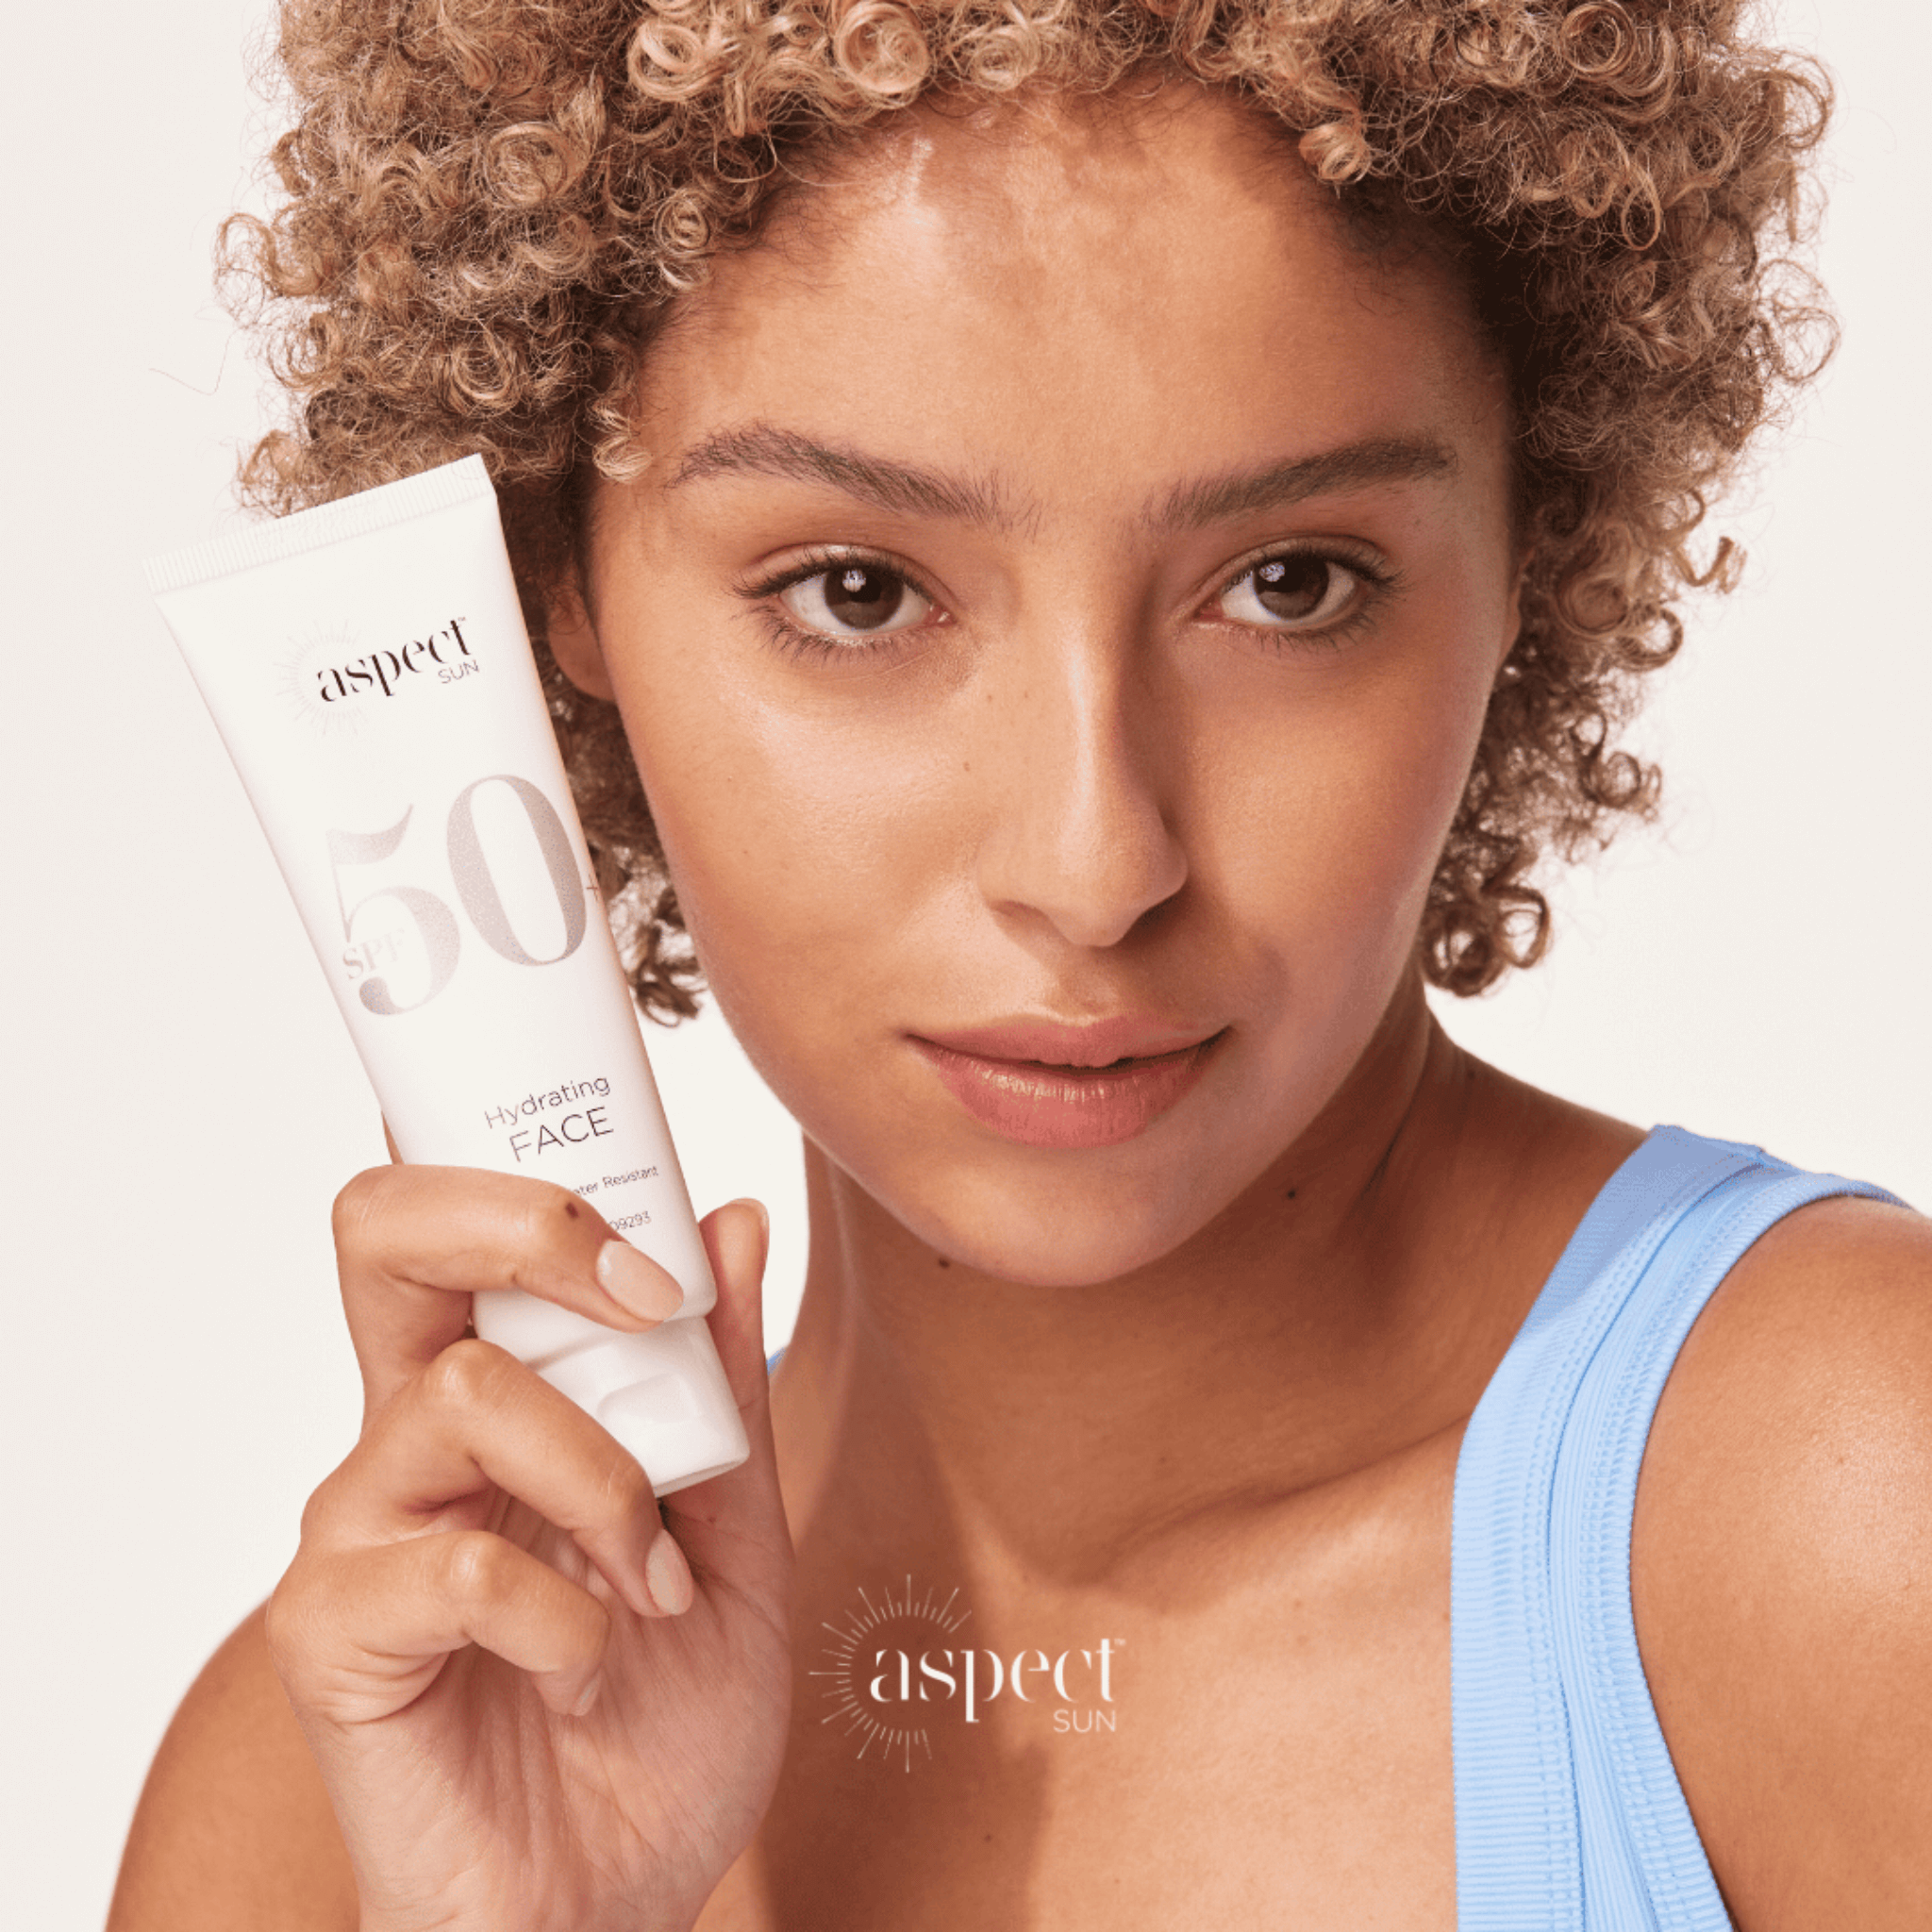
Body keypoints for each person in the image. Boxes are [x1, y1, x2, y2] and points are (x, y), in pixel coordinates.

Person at [107, 1, 1931, 1926]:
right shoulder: (345, 1786)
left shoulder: (1839, 1519)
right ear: (554, 577)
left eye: (1290, 583)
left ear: (1528, 548)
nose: (1095, 864)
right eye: (858, 593)